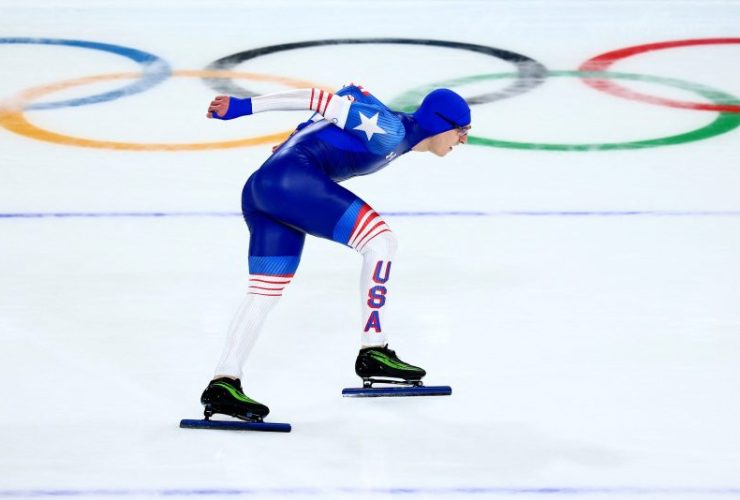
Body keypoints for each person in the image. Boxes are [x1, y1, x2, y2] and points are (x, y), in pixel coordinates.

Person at [200, 83, 471, 421]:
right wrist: (242, 107)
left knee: (263, 292)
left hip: (263, 189)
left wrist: (297, 136)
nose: (464, 140)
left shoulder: (397, 131)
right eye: (462, 130)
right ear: (441, 123)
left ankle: (223, 382)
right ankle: (374, 350)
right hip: (290, 182)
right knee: (380, 241)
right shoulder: (391, 131)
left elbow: (350, 92)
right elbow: (318, 98)